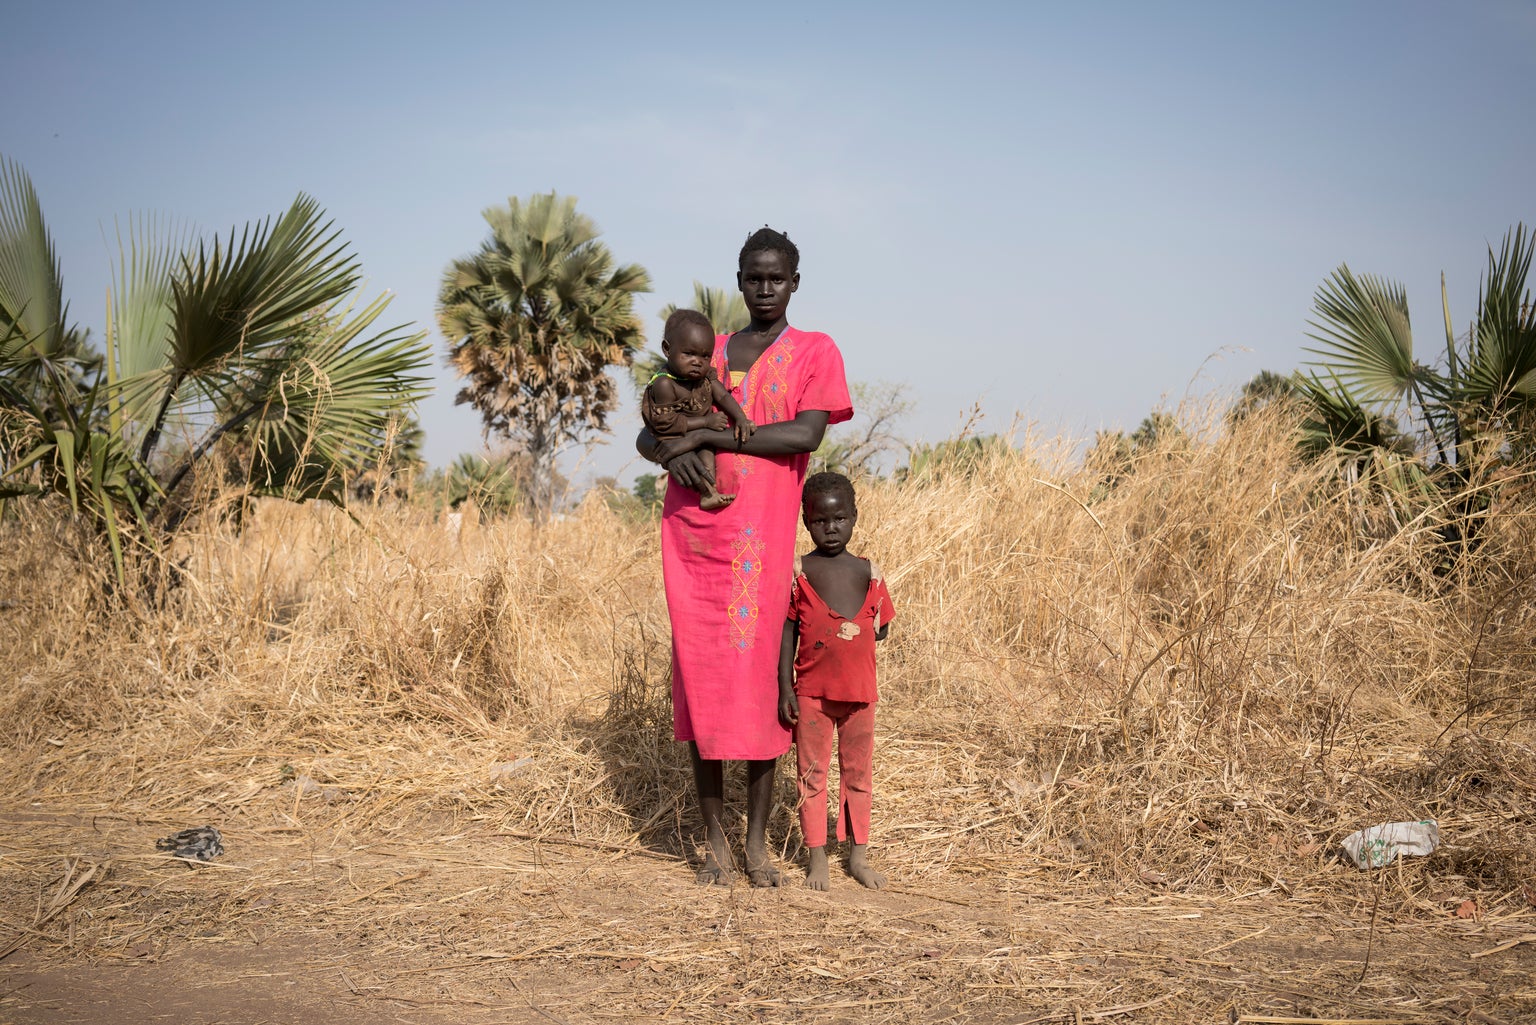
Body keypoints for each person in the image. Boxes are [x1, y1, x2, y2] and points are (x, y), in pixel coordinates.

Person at [637, 227, 852, 887]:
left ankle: (757, 844)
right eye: (753, 277)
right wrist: (677, 450)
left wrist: (711, 431)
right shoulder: (709, 346)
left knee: (761, 687)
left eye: (776, 277)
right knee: (701, 686)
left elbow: (805, 432)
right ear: (738, 281)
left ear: (794, 282)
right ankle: (714, 846)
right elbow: (650, 431)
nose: (765, 288)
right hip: (694, 537)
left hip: (761, 542)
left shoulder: (815, 350)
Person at [777, 472, 894, 890]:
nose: (831, 528)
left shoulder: (870, 573)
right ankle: (817, 858)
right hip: (811, 694)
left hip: (861, 696)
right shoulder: (799, 572)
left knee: (859, 774)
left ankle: (859, 858)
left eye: (840, 519)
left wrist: (854, 632)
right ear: (806, 522)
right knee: (811, 773)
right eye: (820, 521)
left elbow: (881, 626)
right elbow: (786, 632)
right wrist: (784, 687)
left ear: (855, 518)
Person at [640, 309, 756, 510]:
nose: (697, 361)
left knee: (707, 459)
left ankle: (709, 494)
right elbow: (667, 423)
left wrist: (740, 418)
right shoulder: (664, 385)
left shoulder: (704, 377)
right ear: (667, 349)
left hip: (699, 433)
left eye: (705, 356)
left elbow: (722, 396)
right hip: (674, 436)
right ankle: (705, 492)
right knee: (695, 465)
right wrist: (706, 423)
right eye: (689, 354)